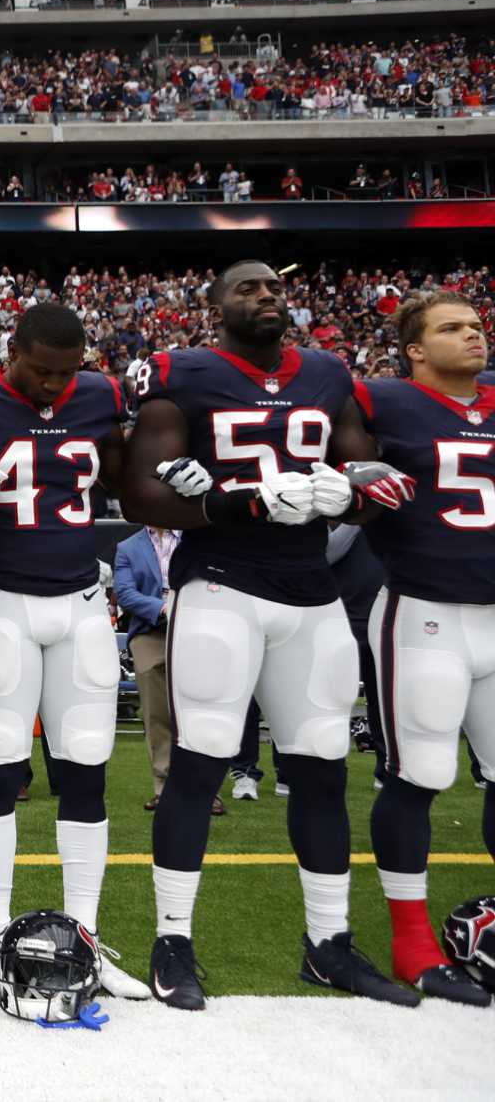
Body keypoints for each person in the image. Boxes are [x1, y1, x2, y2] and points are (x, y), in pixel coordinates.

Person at [121, 258, 411, 1010]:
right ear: (215, 304)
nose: (266, 296)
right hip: (221, 587)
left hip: (312, 594)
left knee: (321, 769)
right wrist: (237, 503)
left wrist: (349, 490)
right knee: (198, 764)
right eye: (247, 287)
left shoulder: (325, 372)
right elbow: (138, 488)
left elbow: (371, 489)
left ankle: (329, 943)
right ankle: (173, 940)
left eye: (276, 287)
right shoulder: (181, 372)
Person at [0, 302, 150, 1002]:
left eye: (67, 371)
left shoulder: (98, 393)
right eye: (41, 371)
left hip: (83, 607)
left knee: (86, 774)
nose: (56, 385)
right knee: (0, 772)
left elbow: (123, 473)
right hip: (3, 604)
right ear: (12, 351)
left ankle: (83, 941)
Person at [350, 291, 495, 1005]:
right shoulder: (383, 402)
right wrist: (354, 472)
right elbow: (327, 442)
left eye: (475, 324)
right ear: (414, 348)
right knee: (419, 774)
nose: (473, 334)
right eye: (452, 327)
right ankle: (412, 942)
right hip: (424, 610)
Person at [113, 523, 215, 813]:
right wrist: (162, 608)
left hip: (195, 629)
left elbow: (211, 579)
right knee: (156, 715)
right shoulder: (128, 547)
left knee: (197, 712)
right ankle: (164, 788)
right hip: (149, 632)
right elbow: (125, 593)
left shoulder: (197, 539)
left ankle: (206, 790)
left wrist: (185, 607)